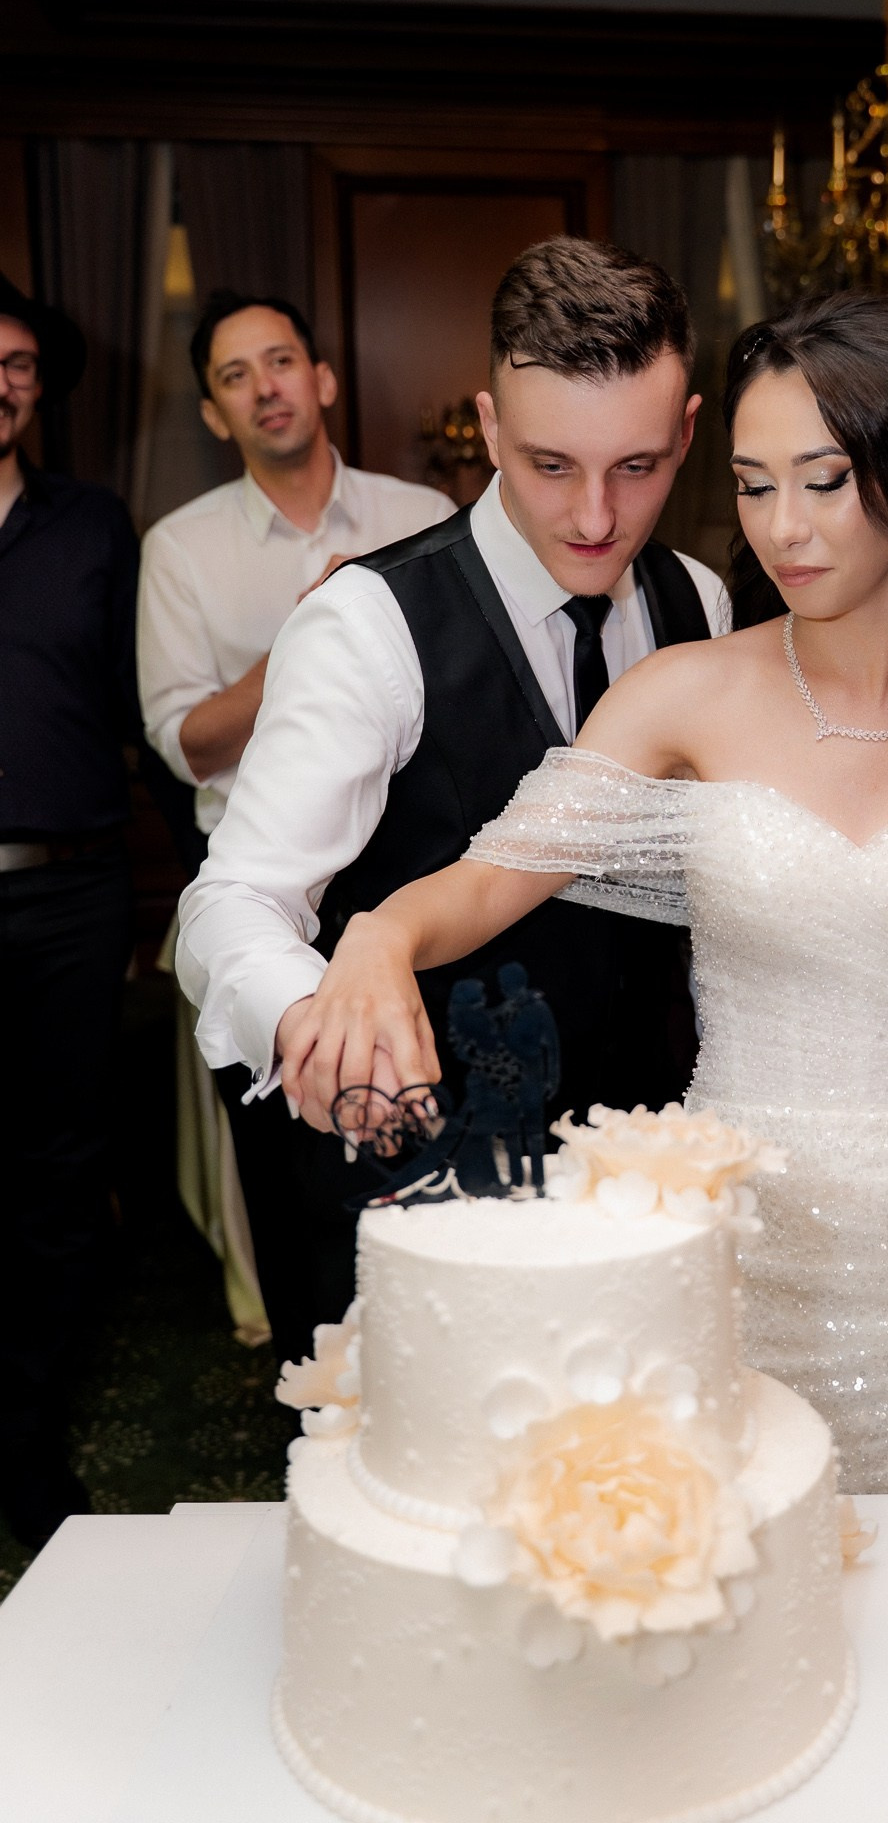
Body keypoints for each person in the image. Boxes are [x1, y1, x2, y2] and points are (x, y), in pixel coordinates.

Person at [279, 294, 888, 1493]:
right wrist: (379, 931)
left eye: (824, 481)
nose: (782, 527)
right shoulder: (683, 693)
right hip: (739, 1255)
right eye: (754, 484)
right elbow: (491, 879)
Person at [176, 240, 727, 1372]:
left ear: (686, 433)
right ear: (488, 425)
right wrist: (311, 1021)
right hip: (419, 1169)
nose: (594, 514)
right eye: (549, 464)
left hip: (638, 1171)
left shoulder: (702, 603)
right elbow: (230, 901)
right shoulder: (369, 622)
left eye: (636, 466)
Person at [138, 289, 453, 1367]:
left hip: (417, 885)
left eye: (280, 361)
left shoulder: (422, 512)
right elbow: (185, 743)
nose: (265, 387)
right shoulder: (180, 549)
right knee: (290, 1187)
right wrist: (322, 634)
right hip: (258, 896)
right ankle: (311, 1395)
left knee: (424, 1168)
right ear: (215, 413)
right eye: (235, 375)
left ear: (321, 379)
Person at [0, 275, 140, 1549]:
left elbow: (135, 707)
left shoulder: (94, 525)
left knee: (59, 1173)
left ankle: (27, 1440)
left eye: (18, 363)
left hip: (73, 892)